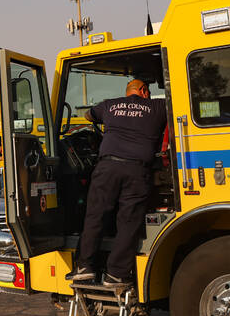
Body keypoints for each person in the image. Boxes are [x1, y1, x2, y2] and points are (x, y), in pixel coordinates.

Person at [67, 78, 167, 290]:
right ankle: (116, 274)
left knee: (96, 215)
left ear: (128, 92)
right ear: (143, 91)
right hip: (137, 170)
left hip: (108, 168)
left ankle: (85, 267)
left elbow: (88, 115)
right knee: (128, 222)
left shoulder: (110, 104)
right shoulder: (158, 107)